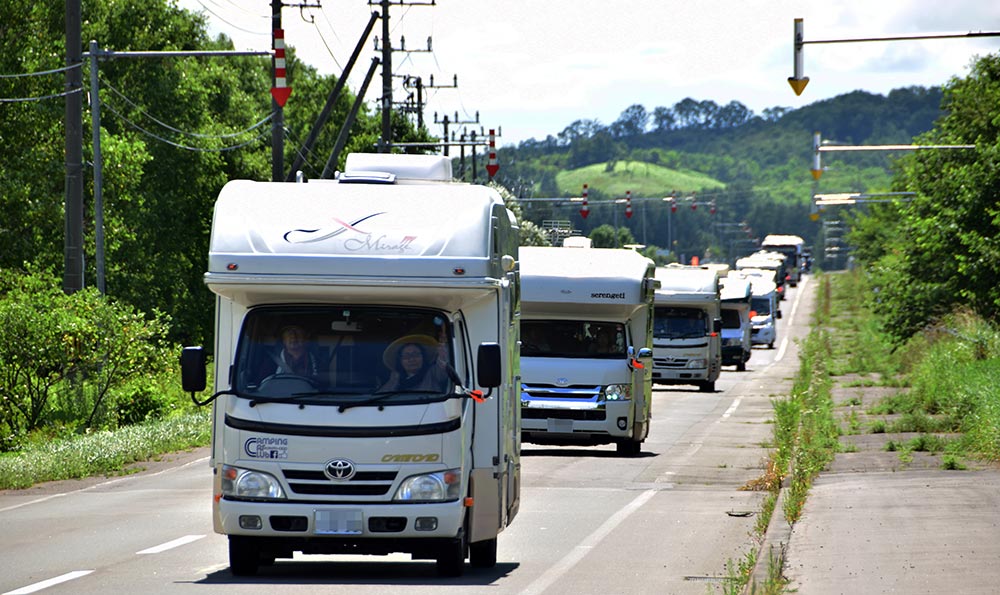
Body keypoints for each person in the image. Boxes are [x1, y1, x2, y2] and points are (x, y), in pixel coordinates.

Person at [378, 332, 450, 392]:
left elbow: (443, 364)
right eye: (406, 356)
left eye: (415, 354)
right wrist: (394, 380)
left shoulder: (433, 373)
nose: (411, 359)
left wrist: (443, 344)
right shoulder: (396, 378)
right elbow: (382, 395)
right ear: (400, 361)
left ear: (423, 357)